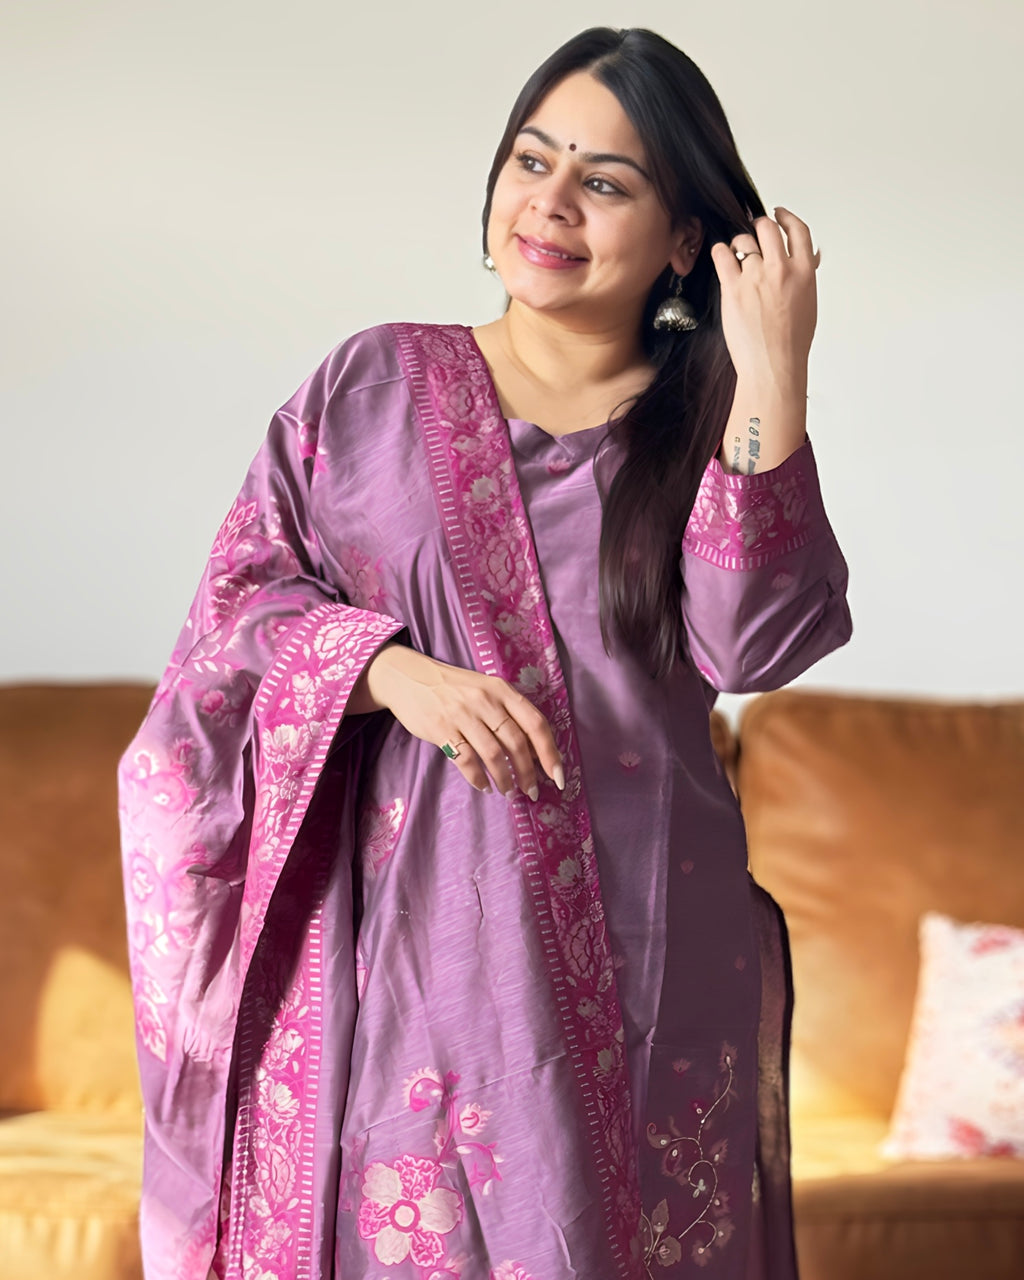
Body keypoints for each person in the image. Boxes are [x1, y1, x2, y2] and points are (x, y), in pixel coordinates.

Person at [119, 26, 851, 1280]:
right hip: (419, 950)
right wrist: (379, 664)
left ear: (683, 239)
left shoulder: (699, 430)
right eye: (532, 159)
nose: (549, 204)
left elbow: (756, 635)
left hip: (650, 950)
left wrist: (774, 364)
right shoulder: (373, 387)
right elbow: (237, 608)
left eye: (605, 181)